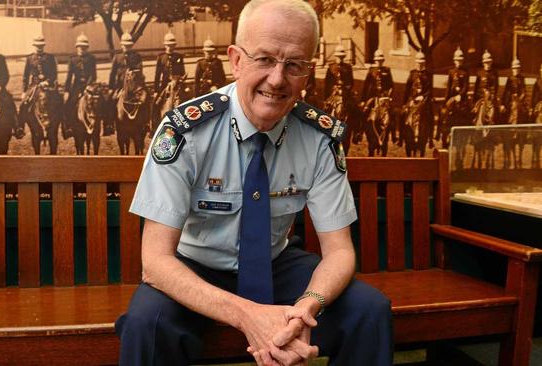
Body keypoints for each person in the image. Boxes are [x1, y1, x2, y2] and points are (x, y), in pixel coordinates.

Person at [116, 1, 393, 365]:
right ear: (235, 60)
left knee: (369, 311)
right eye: (264, 59)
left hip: (275, 263)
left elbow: (340, 251)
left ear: (307, 72)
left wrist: (306, 308)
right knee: (147, 324)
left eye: (293, 65)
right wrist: (249, 315)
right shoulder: (185, 131)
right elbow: (154, 262)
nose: (277, 79)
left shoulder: (319, 138)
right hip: (196, 266)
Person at [19, 35, 58, 130]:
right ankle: (20, 128)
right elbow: (25, 76)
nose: (39, 48)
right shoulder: (30, 58)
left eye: (41, 46)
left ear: (43, 46)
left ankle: (64, 126)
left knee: (60, 102)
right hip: (34, 86)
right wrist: (24, 91)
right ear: (34, 45)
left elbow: (54, 74)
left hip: (48, 85)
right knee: (23, 104)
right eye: (37, 45)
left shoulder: (50, 57)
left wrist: (47, 82)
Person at [64, 33, 97, 138]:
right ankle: (68, 127)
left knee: (100, 102)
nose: (82, 49)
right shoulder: (72, 59)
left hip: (89, 85)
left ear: (87, 48)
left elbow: (93, 74)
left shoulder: (91, 58)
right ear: (77, 47)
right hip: (77, 86)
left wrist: (88, 86)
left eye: (84, 47)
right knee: (69, 103)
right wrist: (67, 91)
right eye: (80, 47)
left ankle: (105, 125)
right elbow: (69, 77)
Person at [402, 51, 434, 150]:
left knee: (430, 116)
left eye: (422, 63)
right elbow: (407, 89)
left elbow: (429, 90)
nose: (420, 64)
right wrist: (407, 102)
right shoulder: (412, 73)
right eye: (418, 62)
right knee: (402, 114)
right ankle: (400, 138)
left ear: (424, 63)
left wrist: (423, 97)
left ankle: (430, 139)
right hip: (412, 100)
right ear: (416, 63)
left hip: (424, 101)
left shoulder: (429, 74)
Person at [108, 33, 142, 98]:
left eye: (129, 46)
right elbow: (112, 73)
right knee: (112, 100)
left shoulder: (137, 56)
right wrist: (111, 87)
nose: (127, 47)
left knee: (145, 97)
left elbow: (139, 69)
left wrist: (133, 72)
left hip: (134, 84)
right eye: (125, 45)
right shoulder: (117, 57)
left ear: (132, 46)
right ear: (121, 45)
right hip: (120, 85)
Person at [154, 31, 186, 96]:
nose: (170, 47)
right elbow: (157, 75)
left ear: (175, 46)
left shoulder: (179, 56)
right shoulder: (161, 57)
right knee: (157, 103)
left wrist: (184, 85)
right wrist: (156, 90)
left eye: (172, 45)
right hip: (165, 85)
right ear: (165, 45)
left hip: (177, 85)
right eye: (168, 45)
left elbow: (182, 72)